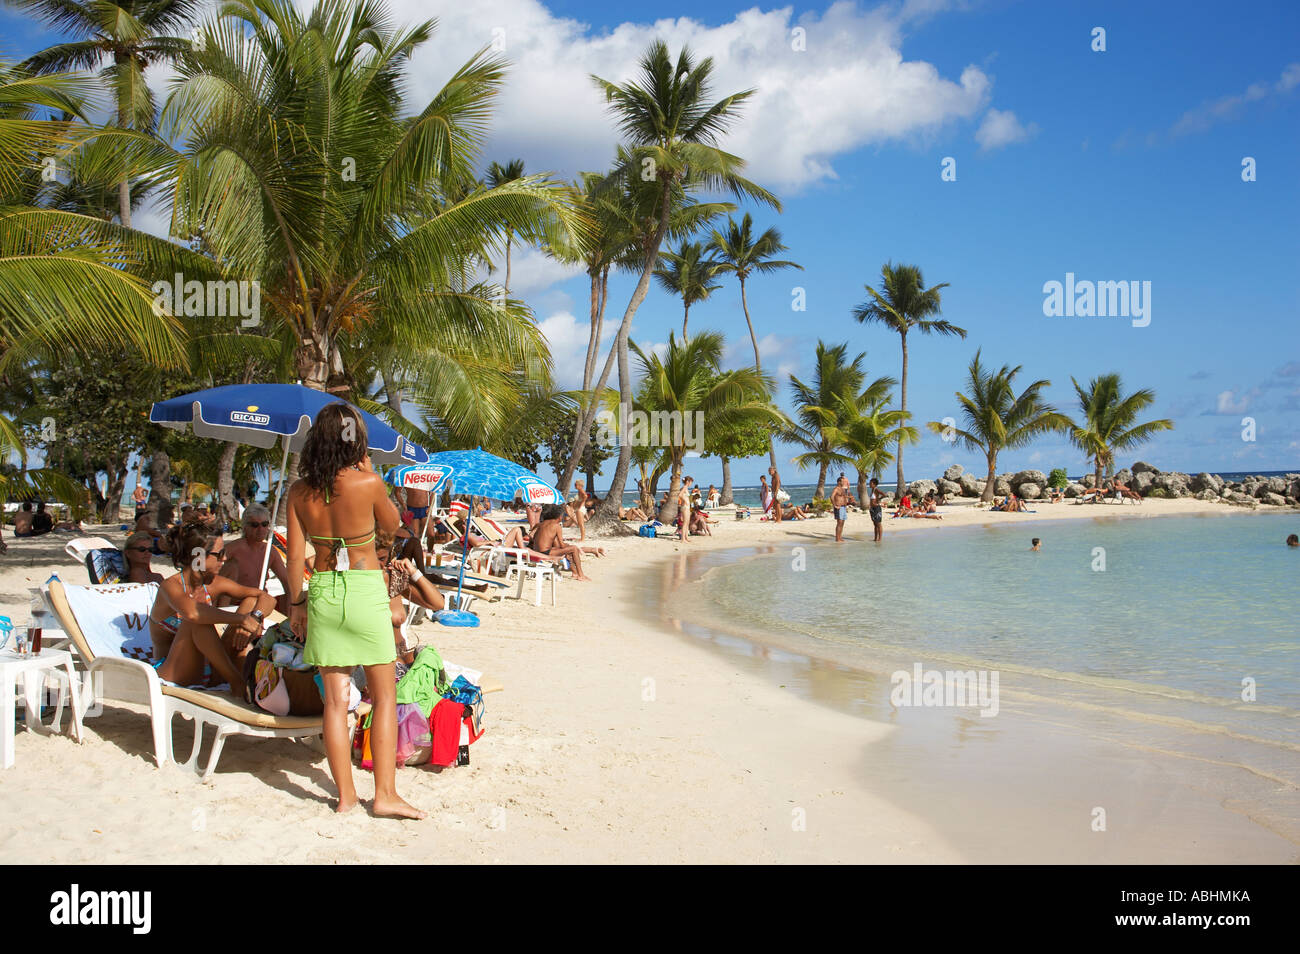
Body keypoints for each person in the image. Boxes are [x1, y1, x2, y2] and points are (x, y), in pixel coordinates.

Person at [285, 403, 421, 819]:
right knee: (384, 696)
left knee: (335, 702)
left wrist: (296, 606)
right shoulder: (369, 482)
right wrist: (367, 472)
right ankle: (383, 795)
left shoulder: (297, 491)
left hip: (322, 590)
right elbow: (393, 524)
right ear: (355, 440)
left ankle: (345, 798)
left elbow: (294, 558)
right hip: (364, 588)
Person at [149, 524, 274, 697]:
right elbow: (193, 614)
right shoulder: (170, 587)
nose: (225, 559)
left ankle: (239, 678)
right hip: (175, 673)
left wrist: (255, 616)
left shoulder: (213, 584)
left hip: (212, 668)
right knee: (197, 620)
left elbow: (267, 598)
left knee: (251, 601)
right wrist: (241, 620)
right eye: (220, 554)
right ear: (198, 557)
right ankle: (237, 681)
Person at [220, 503, 291, 614]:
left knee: (302, 596)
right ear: (245, 526)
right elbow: (213, 574)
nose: (260, 529)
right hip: (235, 606)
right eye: (254, 525)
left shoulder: (269, 551)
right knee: (231, 567)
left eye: (264, 524)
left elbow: (287, 582)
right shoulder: (233, 549)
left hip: (261, 603)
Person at [529, 504, 593, 580]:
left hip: (537, 551)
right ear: (559, 516)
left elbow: (530, 535)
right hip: (545, 552)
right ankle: (580, 575)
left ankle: (575, 573)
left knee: (567, 548)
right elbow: (562, 545)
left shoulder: (539, 524)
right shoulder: (557, 526)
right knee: (574, 548)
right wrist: (568, 546)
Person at [830, 476, 856, 542]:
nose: (843, 482)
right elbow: (832, 496)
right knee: (839, 523)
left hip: (843, 507)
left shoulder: (842, 489)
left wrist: (850, 498)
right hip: (839, 507)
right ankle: (837, 538)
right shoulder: (836, 489)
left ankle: (840, 537)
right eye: (842, 481)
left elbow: (844, 497)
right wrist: (834, 505)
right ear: (839, 482)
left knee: (842, 523)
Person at [678, 476, 694, 542]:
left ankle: (686, 537)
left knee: (687, 523)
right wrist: (684, 500)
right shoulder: (684, 487)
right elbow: (679, 495)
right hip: (684, 507)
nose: (691, 484)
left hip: (687, 507)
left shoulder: (686, 488)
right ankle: (683, 538)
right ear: (688, 481)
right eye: (691, 482)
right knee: (685, 523)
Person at [868, 478, 884, 543]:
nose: (869, 484)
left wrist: (878, 499)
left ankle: (879, 539)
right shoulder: (872, 490)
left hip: (877, 508)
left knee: (878, 523)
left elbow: (884, 494)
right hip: (872, 508)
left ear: (874, 484)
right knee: (875, 524)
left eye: (870, 483)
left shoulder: (876, 489)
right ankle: (875, 538)